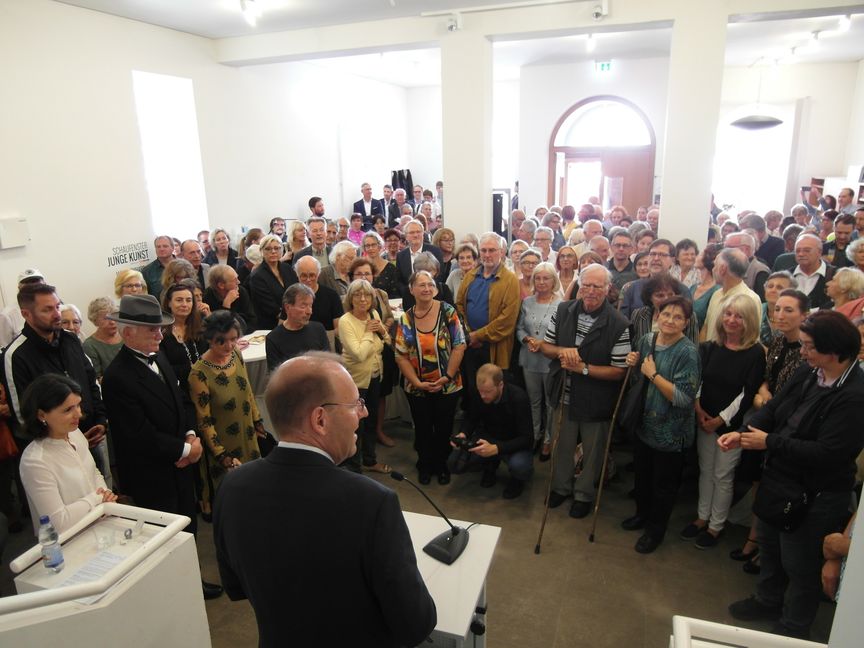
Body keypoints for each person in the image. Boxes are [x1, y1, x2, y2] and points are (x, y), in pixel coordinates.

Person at [213, 353, 436, 647]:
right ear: (320, 419)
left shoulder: (232, 486)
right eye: (356, 404)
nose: (365, 413)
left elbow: (236, 586)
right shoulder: (372, 502)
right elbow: (415, 623)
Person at [725, 311, 864, 640]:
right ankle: (768, 600)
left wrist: (768, 442)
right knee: (771, 546)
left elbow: (829, 454)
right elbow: (774, 409)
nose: (802, 352)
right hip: (781, 478)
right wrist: (745, 431)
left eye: (809, 347)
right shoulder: (808, 371)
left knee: (800, 563)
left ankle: (794, 626)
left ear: (834, 351)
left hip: (816, 492)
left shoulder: (855, 397)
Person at [100, 295, 222, 600]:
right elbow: (137, 434)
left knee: (187, 526)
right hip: (152, 473)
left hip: (180, 462)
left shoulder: (159, 356)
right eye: (152, 330)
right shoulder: (117, 377)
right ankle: (172, 594)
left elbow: (181, 400)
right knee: (162, 534)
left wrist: (192, 436)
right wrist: (185, 451)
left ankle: (190, 581)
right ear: (128, 333)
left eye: (160, 329)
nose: (160, 334)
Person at [541, 264, 630, 518]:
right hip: (563, 393)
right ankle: (560, 487)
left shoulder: (619, 323)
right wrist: (562, 352)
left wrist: (583, 369)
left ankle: (583, 494)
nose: (590, 291)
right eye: (586, 285)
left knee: (592, 451)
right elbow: (546, 346)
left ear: (608, 289)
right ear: (579, 286)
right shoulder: (563, 310)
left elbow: (619, 371)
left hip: (596, 398)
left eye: (597, 286)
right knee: (562, 444)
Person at [2, 283, 110, 489]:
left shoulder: (71, 340)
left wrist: (101, 420)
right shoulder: (16, 355)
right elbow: (22, 413)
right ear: (26, 314)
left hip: (93, 434)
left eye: (57, 306)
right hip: (53, 450)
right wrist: (66, 439)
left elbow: (91, 381)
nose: (56, 314)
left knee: (104, 493)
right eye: (47, 309)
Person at [683, 294, 766, 549]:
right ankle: (701, 517)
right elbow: (698, 380)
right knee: (706, 470)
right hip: (704, 417)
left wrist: (719, 420)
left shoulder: (755, 353)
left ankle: (716, 526)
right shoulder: (709, 347)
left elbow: (746, 394)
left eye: (739, 316)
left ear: (749, 320)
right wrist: (699, 411)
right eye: (728, 314)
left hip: (731, 427)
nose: (731, 320)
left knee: (723, 475)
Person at [622, 296, 700, 553]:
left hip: (671, 432)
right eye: (666, 314)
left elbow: (683, 398)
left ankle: (655, 532)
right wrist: (633, 364)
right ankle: (642, 515)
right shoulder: (647, 341)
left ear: (686, 323)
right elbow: (637, 377)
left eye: (678, 317)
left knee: (663, 486)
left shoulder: (688, 352)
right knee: (642, 478)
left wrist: (653, 375)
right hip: (644, 425)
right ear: (658, 316)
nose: (670, 320)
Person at [19, 374, 117, 534]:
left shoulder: (75, 433)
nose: (78, 414)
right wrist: (98, 498)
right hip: (70, 540)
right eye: (68, 410)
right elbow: (57, 522)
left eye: (78, 405)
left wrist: (106, 494)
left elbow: (93, 472)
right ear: (41, 415)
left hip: (101, 524)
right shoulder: (35, 461)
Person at [394, 271, 466, 485]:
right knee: (423, 428)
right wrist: (416, 382)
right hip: (417, 386)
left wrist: (447, 376)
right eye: (421, 285)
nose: (426, 289)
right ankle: (425, 463)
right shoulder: (406, 317)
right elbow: (401, 354)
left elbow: (459, 345)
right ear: (411, 289)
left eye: (430, 284)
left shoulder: (448, 311)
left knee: (444, 427)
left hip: (448, 385)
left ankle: (442, 465)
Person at [188, 312, 266, 491]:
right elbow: (203, 420)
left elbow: (248, 391)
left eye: (233, 339)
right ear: (209, 339)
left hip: (248, 436)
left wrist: (257, 420)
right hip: (224, 446)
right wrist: (221, 455)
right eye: (221, 341)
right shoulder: (198, 373)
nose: (229, 345)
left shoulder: (236, 354)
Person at [456, 232, 521, 412]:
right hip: (469, 343)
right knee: (472, 388)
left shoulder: (510, 281)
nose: (487, 254)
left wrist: (478, 335)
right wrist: (468, 333)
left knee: (493, 392)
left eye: (492, 250)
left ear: (501, 252)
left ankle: (490, 432)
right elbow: (459, 304)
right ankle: (472, 427)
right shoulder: (470, 276)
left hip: (493, 346)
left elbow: (507, 320)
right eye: (483, 250)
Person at [447, 363, 533, 499]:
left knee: (520, 466)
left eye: (487, 392)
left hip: (513, 441)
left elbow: (527, 438)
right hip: (488, 436)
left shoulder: (519, 398)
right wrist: (463, 433)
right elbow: (471, 418)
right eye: (480, 391)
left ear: (500, 385)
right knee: (454, 463)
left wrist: (497, 448)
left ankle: (517, 480)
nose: (482, 396)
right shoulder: (478, 392)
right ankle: (490, 465)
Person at [338, 279, 391, 474]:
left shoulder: (374, 314)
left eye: (367, 295)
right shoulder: (346, 321)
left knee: (371, 421)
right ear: (350, 299)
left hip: (375, 377)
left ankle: (370, 460)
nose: (363, 299)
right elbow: (358, 354)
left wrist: (381, 329)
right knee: (355, 426)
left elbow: (386, 341)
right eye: (357, 295)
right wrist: (370, 332)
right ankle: (353, 467)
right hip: (356, 382)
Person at [348, 258, 398, 448]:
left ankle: (378, 430)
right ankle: (357, 439)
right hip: (359, 353)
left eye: (367, 273)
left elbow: (390, 318)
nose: (364, 277)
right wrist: (371, 331)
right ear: (352, 276)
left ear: (373, 275)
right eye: (359, 274)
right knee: (359, 397)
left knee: (381, 393)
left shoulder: (381, 294)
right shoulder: (348, 297)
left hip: (380, 351)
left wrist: (381, 328)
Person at [517, 262, 561, 461]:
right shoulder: (527, 302)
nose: (542, 282)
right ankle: (535, 436)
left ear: (554, 281)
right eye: (538, 278)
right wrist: (527, 340)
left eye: (546, 278)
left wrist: (544, 343)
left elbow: (563, 333)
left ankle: (548, 441)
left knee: (551, 403)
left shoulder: (562, 305)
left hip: (550, 360)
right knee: (533, 401)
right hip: (530, 358)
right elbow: (519, 328)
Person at [701, 248, 762, 342]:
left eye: (715, 266)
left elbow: (751, 338)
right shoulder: (716, 294)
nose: (713, 270)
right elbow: (706, 327)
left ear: (722, 269)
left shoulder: (750, 299)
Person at [265, 284, 329, 370]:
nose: (309, 311)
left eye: (310, 306)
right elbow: (275, 376)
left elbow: (328, 363)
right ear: (287, 307)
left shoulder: (318, 328)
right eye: (303, 306)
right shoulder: (273, 338)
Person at [159, 280, 208, 393]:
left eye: (189, 300)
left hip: (207, 384)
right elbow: (165, 369)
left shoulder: (201, 323)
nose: (185, 304)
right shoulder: (161, 332)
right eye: (179, 300)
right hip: (179, 390)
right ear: (169, 303)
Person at [249, 234, 299, 329]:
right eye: (268, 249)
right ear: (261, 251)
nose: (273, 251)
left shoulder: (287, 268)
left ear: (282, 250)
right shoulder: (257, 275)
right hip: (270, 324)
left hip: (293, 318)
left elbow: (296, 291)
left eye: (277, 248)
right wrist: (289, 318)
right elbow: (269, 306)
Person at [294, 255, 343, 351]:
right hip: (296, 346)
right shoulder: (291, 295)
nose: (308, 280)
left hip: (325, 347)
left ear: (318, 274)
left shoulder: (331, 296)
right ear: (297, 275)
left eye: (312, 275)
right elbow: (283, 325)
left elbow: (339, 328)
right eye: (303, 275)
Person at [203, 265, 257, 334]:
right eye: (235, 280)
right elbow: (219, 328)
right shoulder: (207, 297)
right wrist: (226, 305)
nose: (239, 282)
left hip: (244, 336)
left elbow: (252, 320)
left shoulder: (241, 291)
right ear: (221, 285)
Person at [82, 297, 122, 379]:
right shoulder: (90, 345)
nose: (112, 322)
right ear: (95, 320)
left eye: (114, 316)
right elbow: (97, 378)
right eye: (106, 318)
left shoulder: (127, 336)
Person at [759, 271, 796, 346]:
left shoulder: (796, 315)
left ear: (791, 292)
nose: (773, 290)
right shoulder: (756, 310)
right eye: (770, 286)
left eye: (779, 287)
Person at [690, 244, 721, 331]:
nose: (695, 257)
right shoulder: (693, 287)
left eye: (700, 254)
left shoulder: (716, 290)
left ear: (707, 259)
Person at [362, 231, 400, 299]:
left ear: (379, 246)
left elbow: (395, 293)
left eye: (373, 245)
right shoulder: (360, 267)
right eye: (367, 246)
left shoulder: (391, 268)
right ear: (364, 248)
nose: (371, 248)